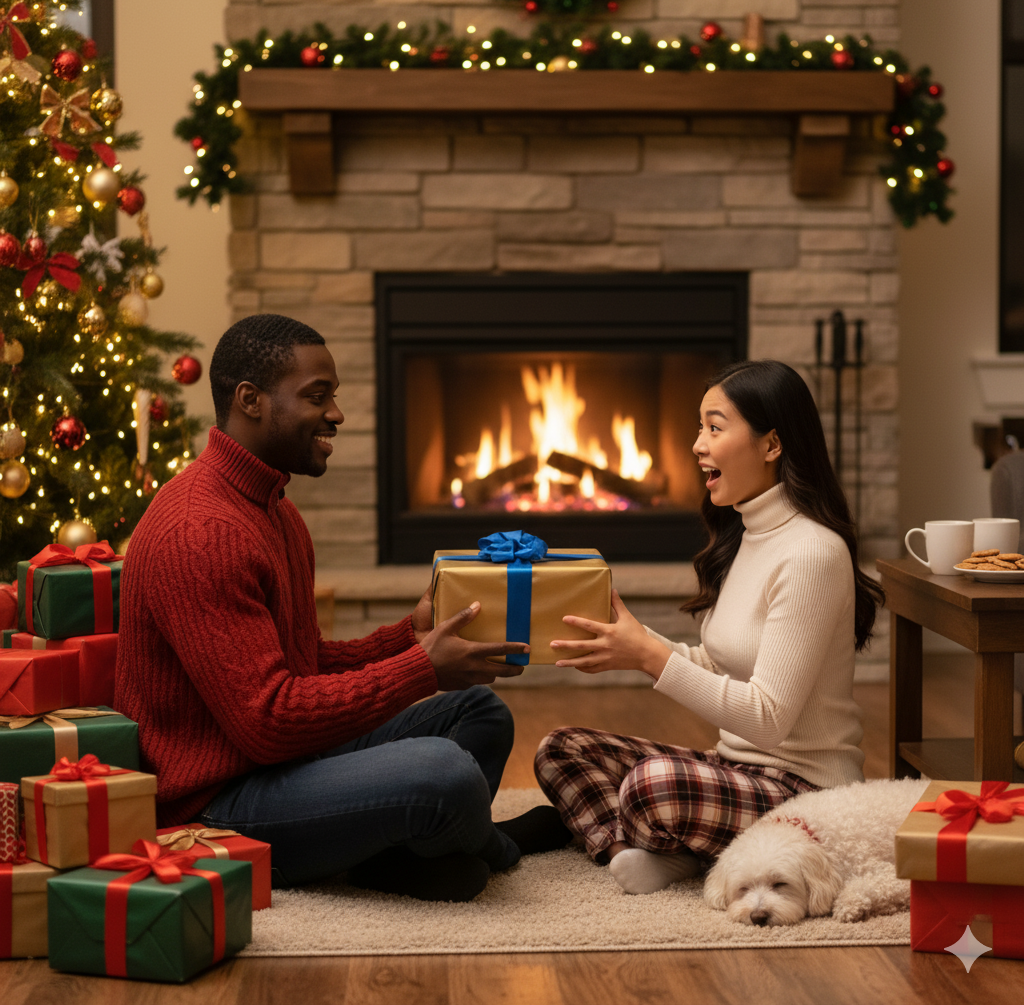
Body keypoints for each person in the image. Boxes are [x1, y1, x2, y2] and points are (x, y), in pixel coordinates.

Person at [115, 313, 570, 903]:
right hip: (214, 807)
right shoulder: (200, 531)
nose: (336, 414)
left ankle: (402, 856)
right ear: (250, 401)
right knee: (444, 772)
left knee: (478, 713)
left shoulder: (273, 508)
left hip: (280, 763)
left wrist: (409, 637)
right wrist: (421, 669)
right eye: (317, 396)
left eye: (334, 395)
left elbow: (299, 664)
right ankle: (491, 845)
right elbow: (269, 721)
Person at [534, 359, 884, 895]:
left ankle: (672, 847)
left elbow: (767, 719)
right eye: (700, 427)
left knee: (651, 786)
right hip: (739, 771)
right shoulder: (748, 531)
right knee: (561, 750)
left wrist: (652, 659)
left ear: (771, 445)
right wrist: (635, 645)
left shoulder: (812, 551)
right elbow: (724, 664)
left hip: (805, 789)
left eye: (714, 428)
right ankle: (655, 851)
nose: (698, 445)